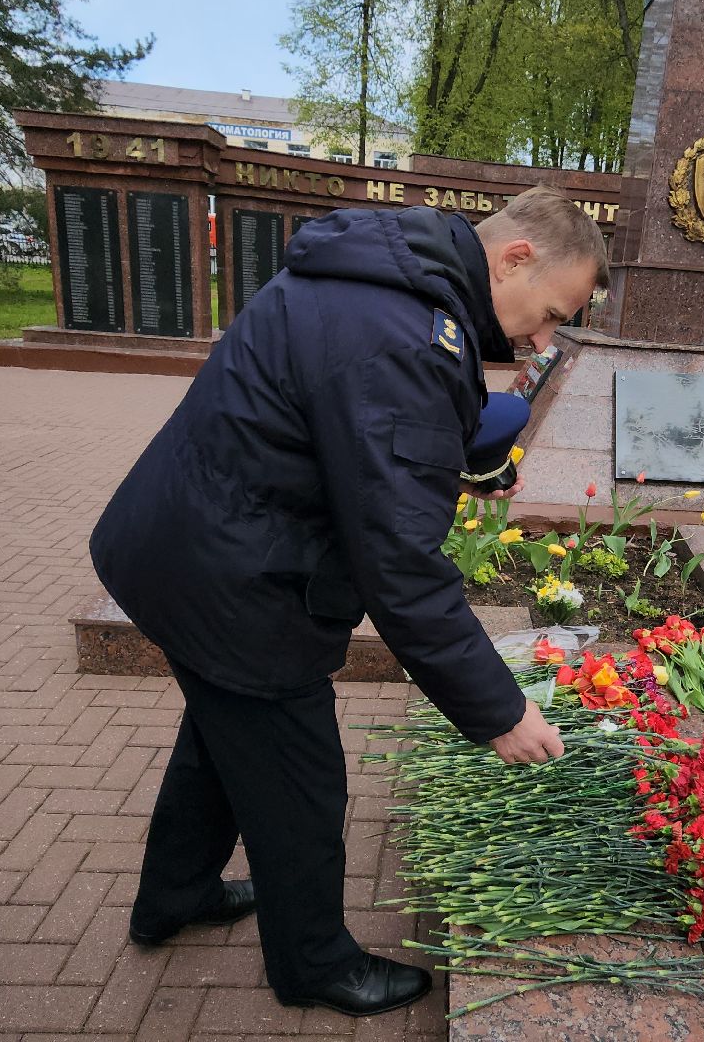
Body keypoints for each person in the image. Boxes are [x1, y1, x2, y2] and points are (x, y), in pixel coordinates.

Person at [89, 186, 609, 1016]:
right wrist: (498, 711)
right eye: (548, 313)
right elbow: (399, 565)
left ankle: (175, 897)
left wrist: (458, 441)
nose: (542, 338)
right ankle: (313, 964)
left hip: (188, 546)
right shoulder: (406, 336)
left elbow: (350, 424)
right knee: (301, 782)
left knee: (223, 738)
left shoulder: (386, 274)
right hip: (237, 582)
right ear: (513, 258)